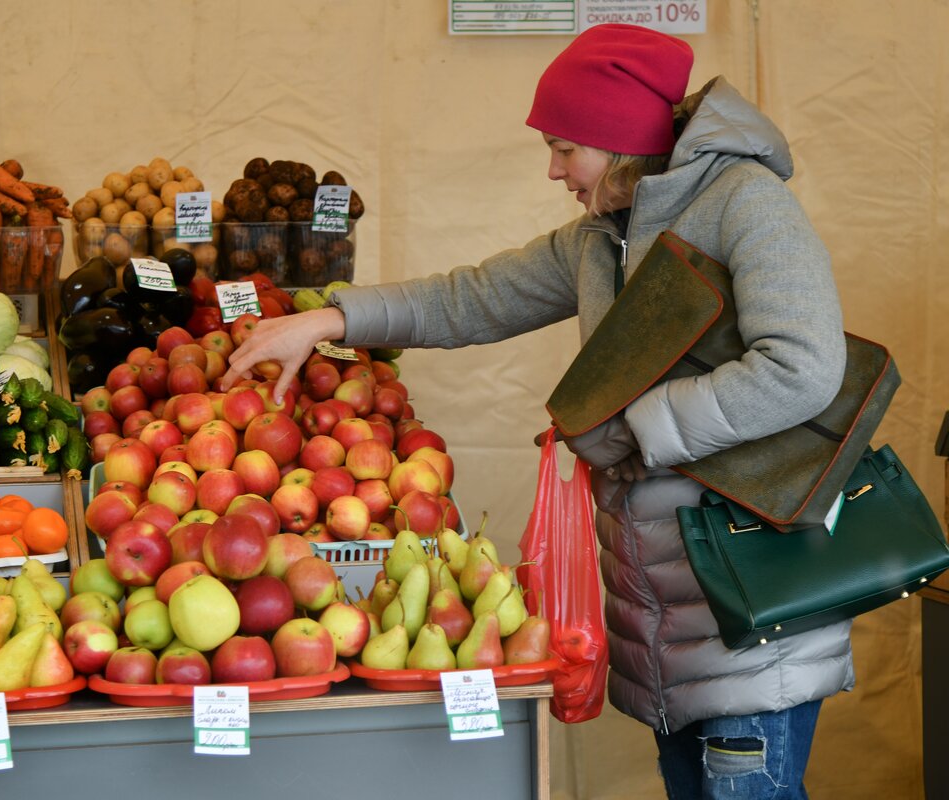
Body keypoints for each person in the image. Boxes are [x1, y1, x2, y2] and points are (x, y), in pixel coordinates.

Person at [220, 23, 849, 799]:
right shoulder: (602, 237)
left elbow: (805, 368)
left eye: (565, 148)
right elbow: (474, 297)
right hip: (669, 605)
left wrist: (638, 426)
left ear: (618, 142)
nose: (554, 171)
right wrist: (330, 318)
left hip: (753, 600)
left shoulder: (746, 205)